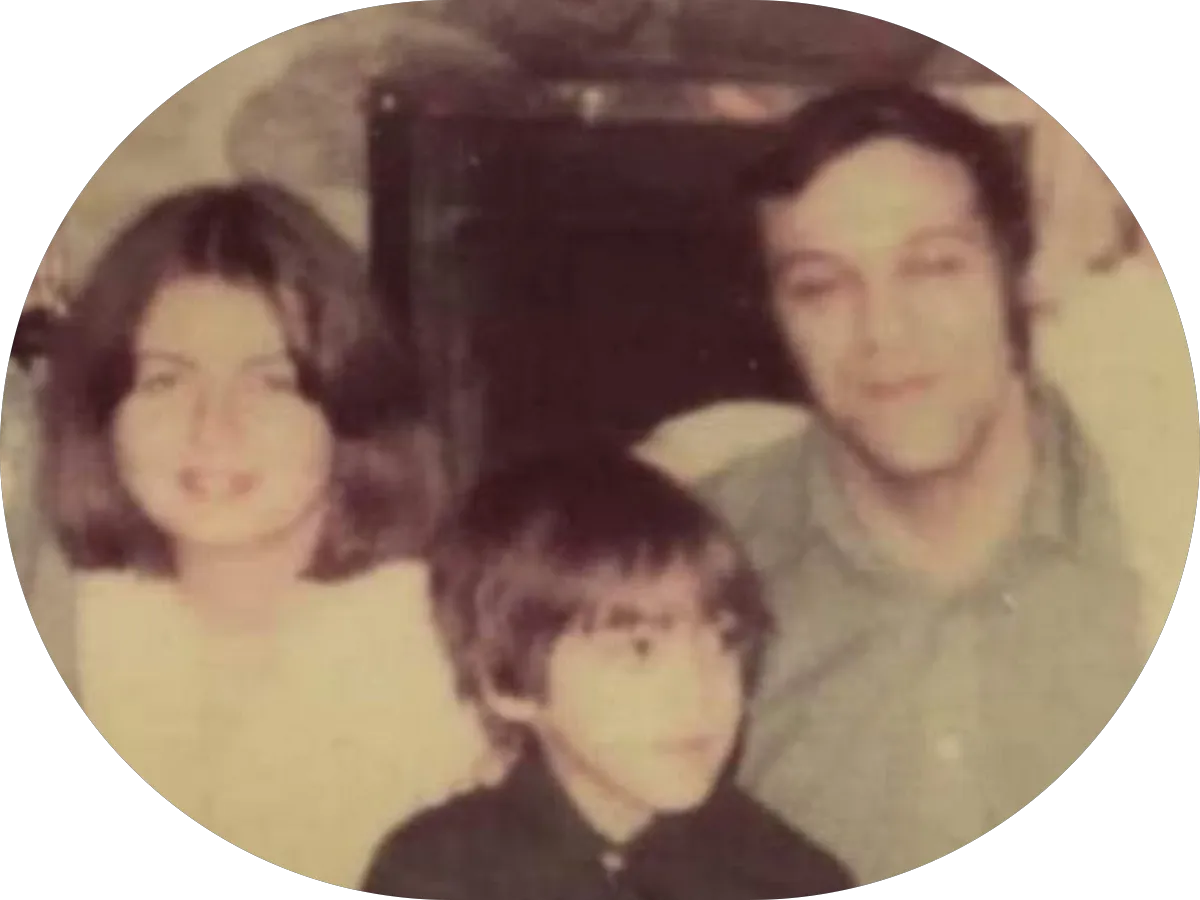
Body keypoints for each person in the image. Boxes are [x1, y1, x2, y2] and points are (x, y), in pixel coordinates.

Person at [693, 86, 1150, 883]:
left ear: (1016, 276)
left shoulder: (1158, 511)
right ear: (773, 317)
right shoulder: (690, 567)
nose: (884, 332)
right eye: (820, 286)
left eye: (933, 266)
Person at [36, 183, 494, 889]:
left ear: (351, 413)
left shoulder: (459, 653)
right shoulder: (71, 625)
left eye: (271, 384)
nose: (214, 427)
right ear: (104, 418)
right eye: (164, 382)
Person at [364, 447, 855, 900]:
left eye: (725, 642)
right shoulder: (437, 872)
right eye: (640, 649)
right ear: (507, 681)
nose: (700, 691)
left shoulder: (791, 876)